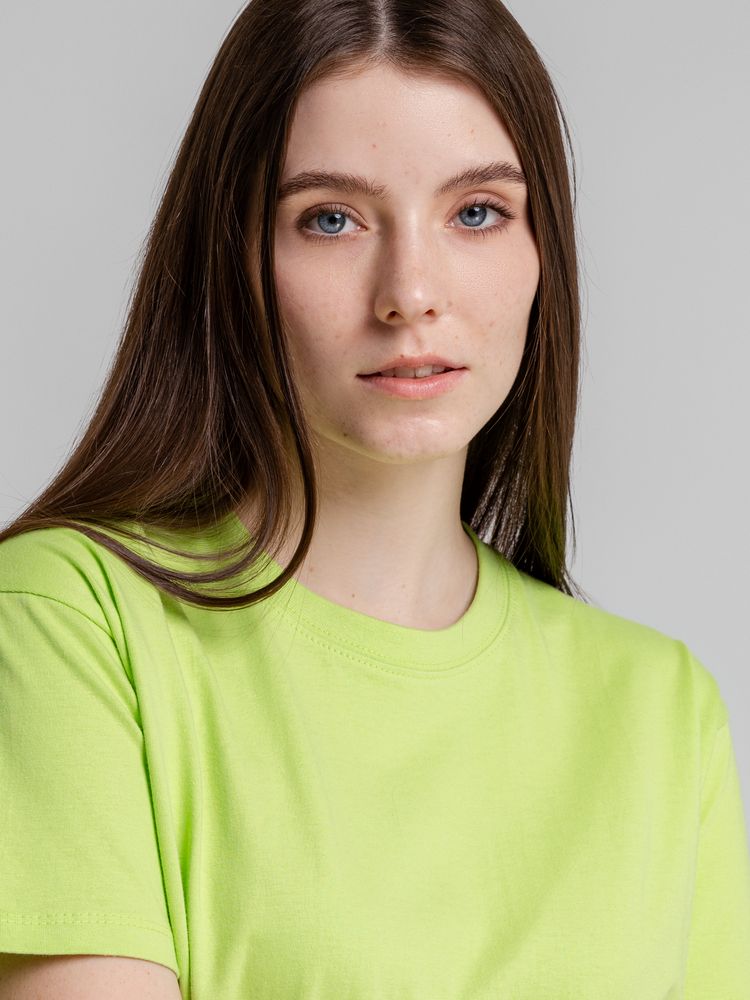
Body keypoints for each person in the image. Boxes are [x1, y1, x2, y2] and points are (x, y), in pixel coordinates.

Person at [1, 0, 748, 997]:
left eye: (476, 212)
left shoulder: (663, 711)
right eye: (331, 218)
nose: (410, 292)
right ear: (235, 256)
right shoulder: (66, 618)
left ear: (544, 254)